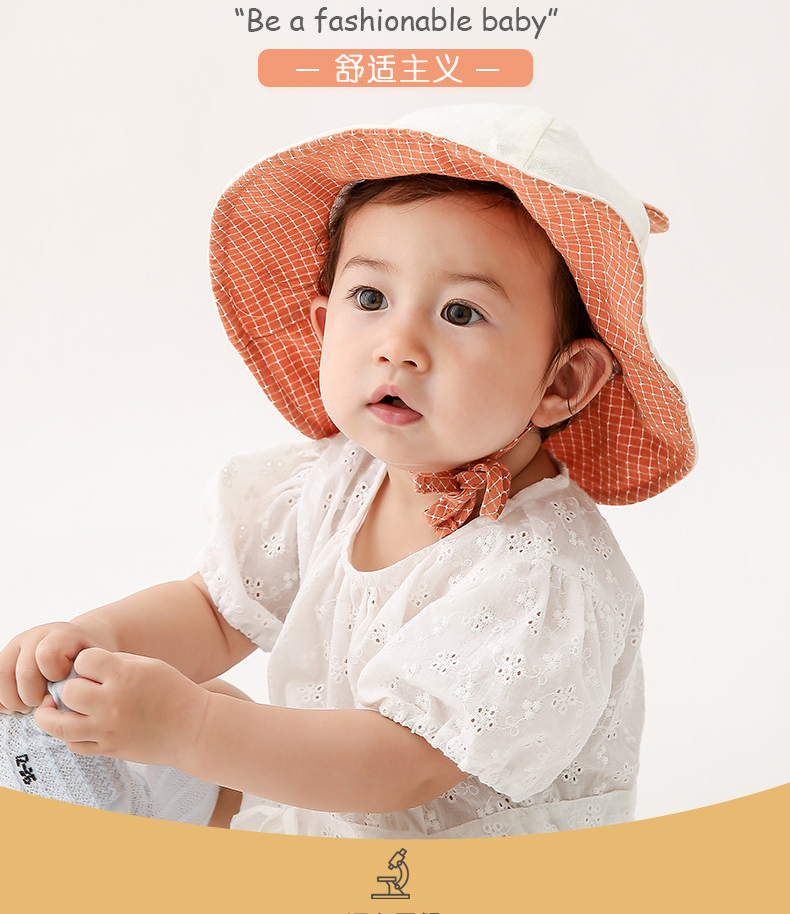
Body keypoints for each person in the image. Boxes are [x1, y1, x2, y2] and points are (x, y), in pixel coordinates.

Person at [0, 104, 696, 838]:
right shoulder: (340, 479)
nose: (398, 345)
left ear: (562, 382)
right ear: (324, 323)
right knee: (171, 704)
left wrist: (189, 727)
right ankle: (85, 782)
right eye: (370, 299)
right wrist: (96, 637)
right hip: (329, 801)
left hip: (450, 864)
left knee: (200, 719)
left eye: (460, 313)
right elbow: (215, 610)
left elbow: (402, 766)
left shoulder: (541, 577)